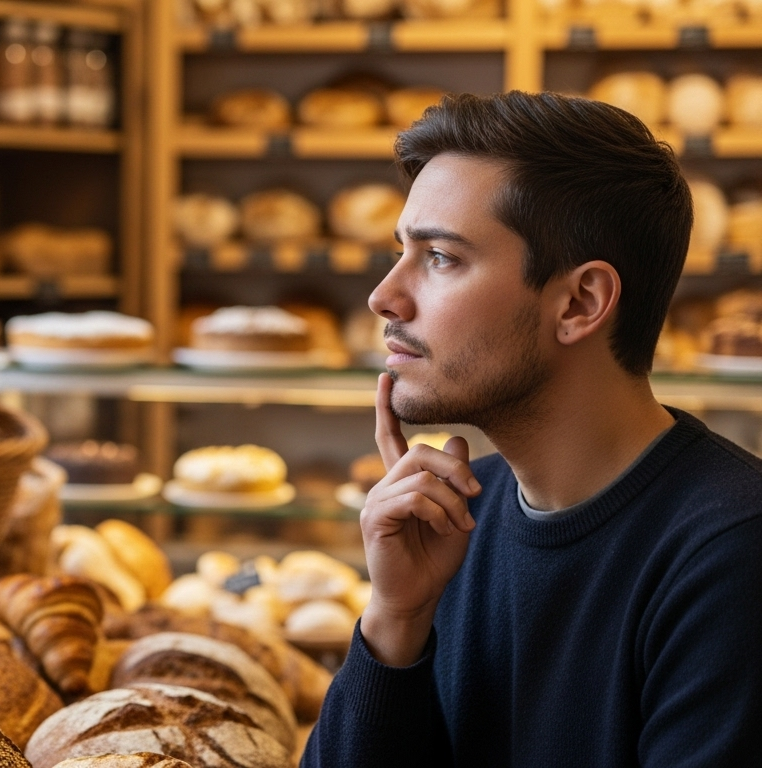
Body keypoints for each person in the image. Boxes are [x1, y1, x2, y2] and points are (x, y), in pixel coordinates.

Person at [302, 91, 762, 767]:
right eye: (402, 250)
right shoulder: (449, 521)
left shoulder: (731, 553)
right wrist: (395, 621)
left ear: (580, 302)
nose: (384, 297)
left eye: (441, 258)